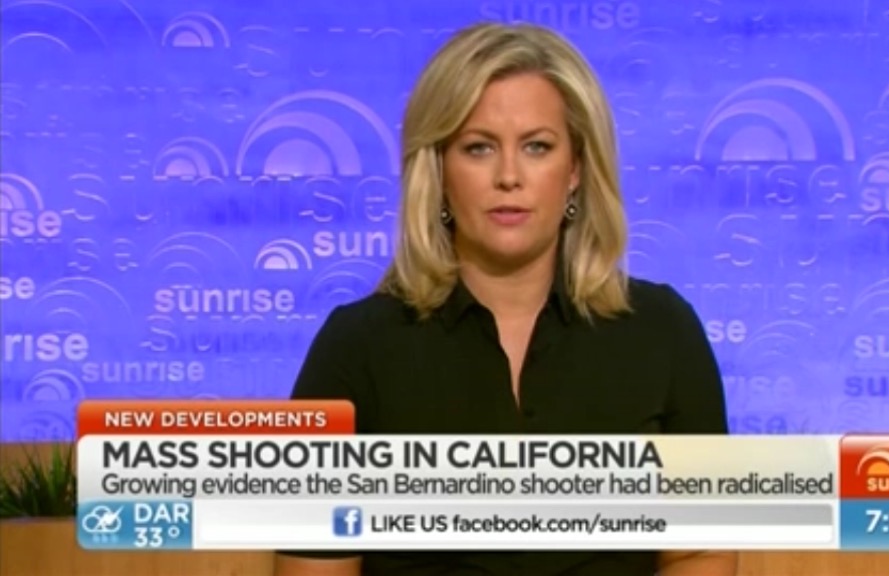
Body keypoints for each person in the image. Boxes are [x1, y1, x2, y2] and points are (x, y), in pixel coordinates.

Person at [276, 21, 737, 576]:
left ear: (575, 170)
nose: (509, 176)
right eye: (479, 148)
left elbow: (701, 552)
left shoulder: (662, 332)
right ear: (438, 170)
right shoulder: (356, 347)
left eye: (537, 146)